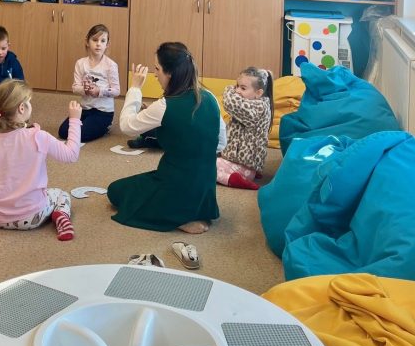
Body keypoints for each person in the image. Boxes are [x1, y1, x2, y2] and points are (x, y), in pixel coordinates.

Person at [108, 43, 220, 234]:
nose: (155, 74)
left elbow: (126, 126)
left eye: (157, 69)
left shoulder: (164, 105)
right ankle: (194, 211)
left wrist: (135, 88)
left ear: (170, 74)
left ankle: (177, 217)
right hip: (205, 186)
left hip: (176, 186)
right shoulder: (210, 97)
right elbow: (220, 142)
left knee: (115, 190)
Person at [0, 79, 81, 241]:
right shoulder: (38, 136)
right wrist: (74, 120)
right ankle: (61, 217)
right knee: (62, 195)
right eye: (29, 102)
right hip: (33, 216)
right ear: (22, 108)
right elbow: (71, 154)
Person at [58, 23, 120, 142]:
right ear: (87, 42)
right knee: (63, 132)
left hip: (103, 112)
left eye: (102, 41)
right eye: (95, 40)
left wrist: (99, 91)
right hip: (85, 109)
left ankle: (106, 126)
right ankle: (92, 125)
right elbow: (75, 87)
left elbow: (116, 91)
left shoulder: (111, 65)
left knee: (80, 135)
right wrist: (85, 89)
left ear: (107, 44)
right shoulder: (80, 63)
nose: (98, 44)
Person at [216, 66, 274, 190]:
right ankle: (248, 173)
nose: (237, 91)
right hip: (244, 163)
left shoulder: (257, 108)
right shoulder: (256, 103)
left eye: (243, 88)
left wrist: (229, 89)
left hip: (242, 166)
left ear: (258, 93)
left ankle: (233, 179)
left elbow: (229, 102)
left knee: (206, 166)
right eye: (237, 86)